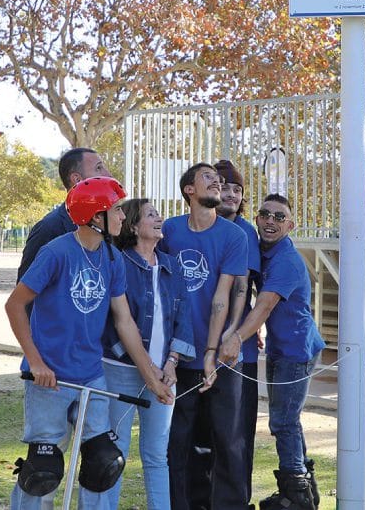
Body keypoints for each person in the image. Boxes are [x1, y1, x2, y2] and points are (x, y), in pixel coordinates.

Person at [4, 177, 172, 509]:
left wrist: (151, 375)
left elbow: (124, 321)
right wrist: (35, 361)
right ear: (97, 217)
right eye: (117, 211)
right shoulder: (56, 252)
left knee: (103, 463)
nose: (123, 217)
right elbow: (15, 305)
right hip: (49, 376)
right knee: (43, 469)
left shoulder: (112, 258)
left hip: (92, 375)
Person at [84, 198, 194, 509]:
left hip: (164, 373)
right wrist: (143, 365)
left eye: (158, 214)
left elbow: (183, 319)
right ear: (133, 226)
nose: (160, 219)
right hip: (120, 371)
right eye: (150, 215)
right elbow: (113, 322)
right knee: (114, 452)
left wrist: (172, 363)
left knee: (157, 454)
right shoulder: (118, 262)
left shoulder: (172, 265)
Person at [219, 194, 325, 510]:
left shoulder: (286, 260)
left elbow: (264, 306)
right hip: (281, 347)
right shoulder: (266, 253)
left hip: (297, 351)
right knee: (287, 420)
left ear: (290, 225)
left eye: (279, 217)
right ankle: (304, 487)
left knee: (283, 421)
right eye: (265, 214)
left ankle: (296, 495)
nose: (270, 221)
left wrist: (237, 337)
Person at [159, 162, 248, 510]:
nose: (218, 184)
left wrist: (212, 350)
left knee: (226, 439)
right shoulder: (169, 230)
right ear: (189, 190)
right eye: (208, 178)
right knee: (177, 440)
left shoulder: (234, 236)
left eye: (220, 180)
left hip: (216, 355)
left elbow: (223, 296)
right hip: (175, 357)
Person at [185, 159, 263, 508]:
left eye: (236, 189)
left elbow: (244, 291)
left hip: (233, 354)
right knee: (195, 438)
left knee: (232, 438)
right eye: (222, 185)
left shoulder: (242, 233)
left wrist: (239, 333)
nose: (229, 193)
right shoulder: (181, 229)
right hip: (189, 350)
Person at [18, 148, 111, 280]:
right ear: (77, 179)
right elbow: (26, 294)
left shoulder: (110, 226)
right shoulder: (49, 229)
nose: (108, 175)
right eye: (99, 168)